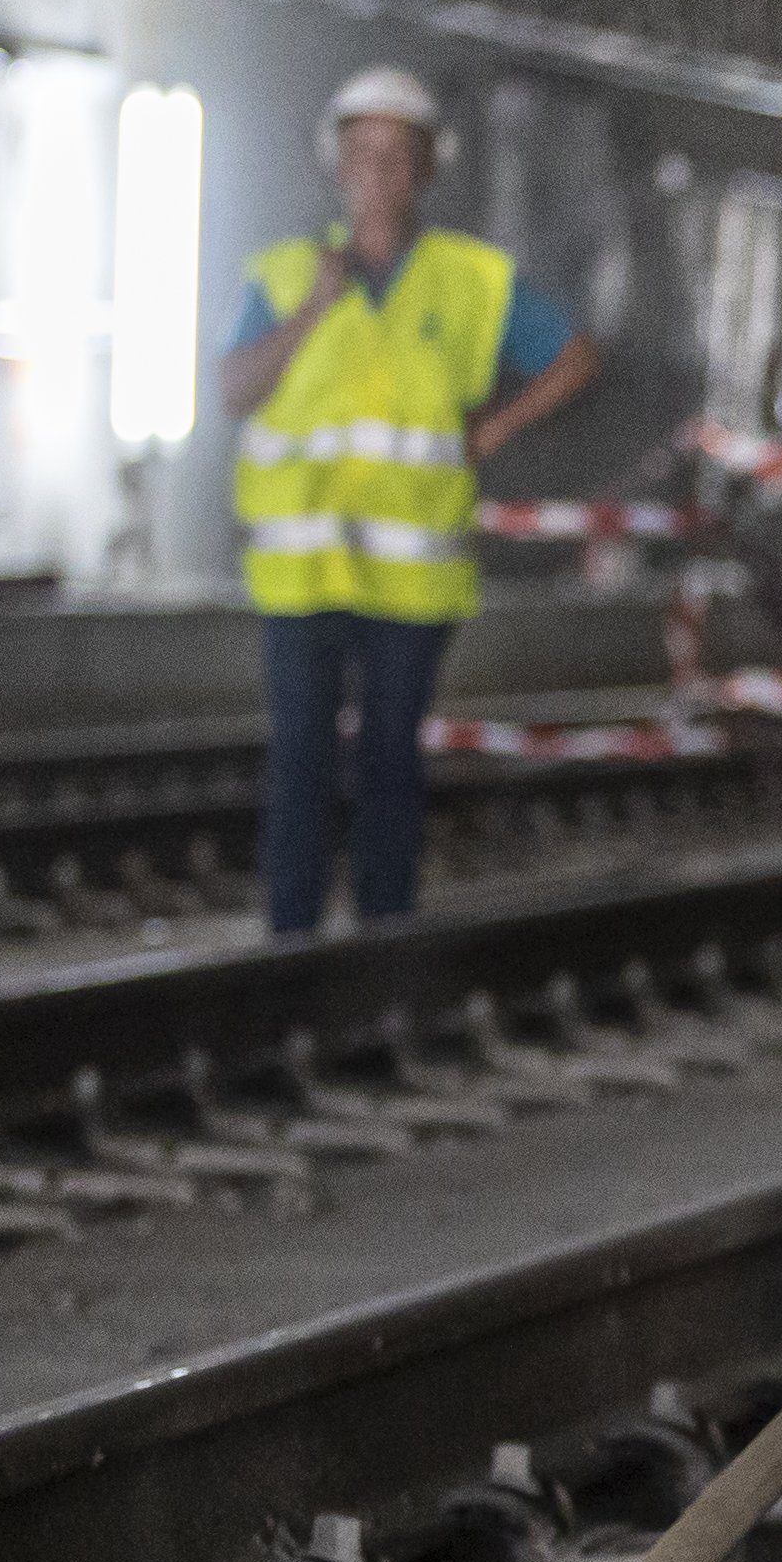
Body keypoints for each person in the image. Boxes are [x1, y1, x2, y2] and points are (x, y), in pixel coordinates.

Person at [218, 66, 599, 934]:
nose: (379, 172)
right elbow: (234, 388)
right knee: (300, 762)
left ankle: (383, 940)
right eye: (363, 153)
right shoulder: (284, 276)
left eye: (398, 155)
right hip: (301, 575)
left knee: (391, 761)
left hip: (411, 579)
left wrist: (492, 432)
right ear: (336, 166)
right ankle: (292, 940)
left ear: (427, 169)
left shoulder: (472, 280)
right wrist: (314, 307)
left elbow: (575, 357)